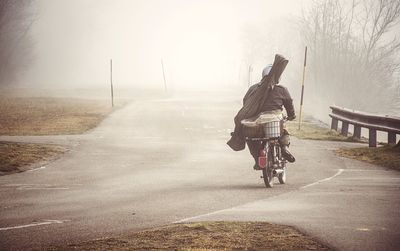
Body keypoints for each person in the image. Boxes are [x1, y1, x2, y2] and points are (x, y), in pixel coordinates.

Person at [245, 64, 296, 169]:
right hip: (275, 121)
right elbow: (289, 103)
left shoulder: (253, 88)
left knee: (251, 139)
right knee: (284, 131)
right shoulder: (282, 89)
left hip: (257, 122)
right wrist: (291, 115)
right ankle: (285, 148)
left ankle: (257, 158)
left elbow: (245, 103)